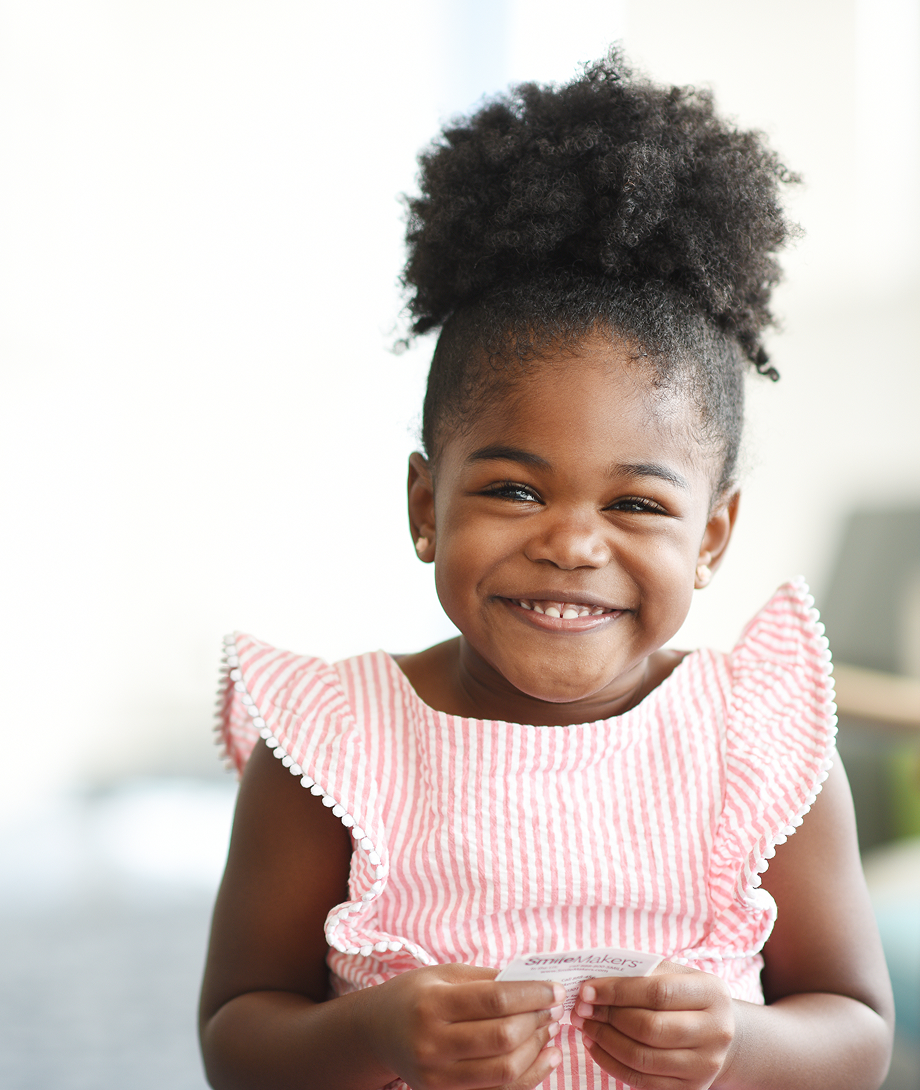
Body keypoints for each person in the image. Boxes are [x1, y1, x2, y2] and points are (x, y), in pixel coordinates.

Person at [198, 52, 894, 1090]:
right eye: (516, 491)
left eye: (635, 504)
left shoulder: (758, 743)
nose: (571, 543)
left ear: (710, 539)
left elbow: (856, 1032)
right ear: (424, 506)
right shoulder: (331, 747)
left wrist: (735, 1041)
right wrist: (375, 1032)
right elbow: (236, 1037)